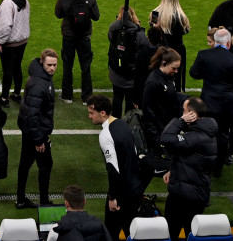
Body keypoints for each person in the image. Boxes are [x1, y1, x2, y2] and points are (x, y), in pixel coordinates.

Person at [189, 27, 233, 174]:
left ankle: (203, 163)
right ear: (228, 43)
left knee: (204, 131)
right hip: (227, 104)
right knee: (223, 135)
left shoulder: (204, 54)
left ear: (215, 41)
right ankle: (218, 169)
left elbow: (194, 73)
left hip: (208, 101)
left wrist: (208, 75)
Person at [86, 93, 148, 240]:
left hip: (122, 192)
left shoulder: (105, 135)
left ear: (102, 113)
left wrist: (113, 197)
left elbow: (113, 170)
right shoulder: (122, 124)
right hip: (136, 187)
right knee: (132, 232)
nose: (89, 116)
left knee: (111, 232)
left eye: (91, 113)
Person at [160, 97, 218, 239]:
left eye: (184, 111)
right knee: (191, 234)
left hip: (184, 196)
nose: (182, 113)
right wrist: (172, 170)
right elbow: (191, 159)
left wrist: (180, 121)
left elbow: (166, 138)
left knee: (170, 232)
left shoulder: (196, 137)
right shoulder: (205, 132)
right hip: (195, 193)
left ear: (191, 114)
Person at [17, 48, 58, 209]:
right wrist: (39, 139)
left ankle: (21, 199)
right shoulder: (39, 84)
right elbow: (33, 115)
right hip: (35, 132)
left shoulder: (41, 77)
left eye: (54, 65)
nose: (52, 68)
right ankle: (44, 201)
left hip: (31, 130)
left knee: (25, 164)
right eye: (49, 65)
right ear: (42, 63)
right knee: (45, 165)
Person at [107, 0, 152, 113]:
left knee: (117, 98)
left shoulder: (113, 28)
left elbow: (110, 38)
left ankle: (114, 123)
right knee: (130, 100)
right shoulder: (138, 32)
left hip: (116, 70)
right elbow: (144, 47)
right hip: (131, 73)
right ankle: (127, 125)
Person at [55, 0, 99, 103]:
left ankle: (67, 95)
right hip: (84, 36)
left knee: (67, 65)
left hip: (68, 35)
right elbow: (96, 16)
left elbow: (58, 14)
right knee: (86, 66)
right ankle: (87, 97)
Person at [0, 0, 30, 106]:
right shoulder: (24, 0)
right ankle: (17, 94)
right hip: (22, 41)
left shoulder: (8, 3)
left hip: (9, 44)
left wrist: (0, 42)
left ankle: (4, 98)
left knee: (7, 70)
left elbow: (5, 25)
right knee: (17, 68)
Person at [141, 47, 184, 155]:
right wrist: (156, 137)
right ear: (164, 63)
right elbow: (148, 112)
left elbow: (170, 97)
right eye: (174, 68)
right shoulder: (153, 83)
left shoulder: (167, 77)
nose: (176, 71)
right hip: (159, 132)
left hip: (166, 126)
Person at [149, 0, 192, 91]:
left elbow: (153, 31)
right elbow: (186, 31)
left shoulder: (155, 13)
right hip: (177, 49)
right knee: (176, 75)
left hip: (161, 50)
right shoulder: (181, 16)